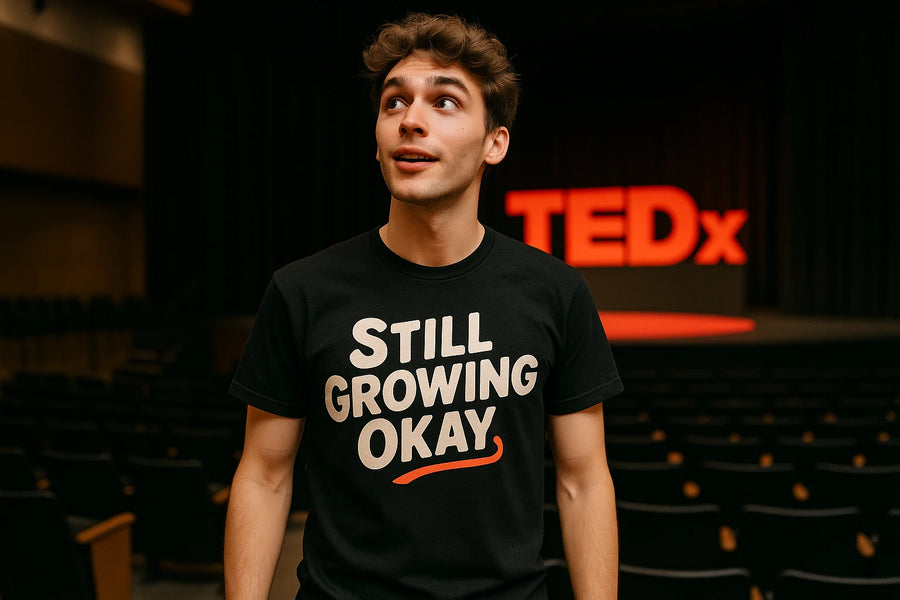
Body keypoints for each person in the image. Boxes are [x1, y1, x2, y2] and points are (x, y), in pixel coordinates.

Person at [224, 12, 623, 600]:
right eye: (393, 103)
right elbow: (262, 475)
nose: (411, 120)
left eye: (445, 102)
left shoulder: (555, 291)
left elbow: (584, 481)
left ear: (495, 142)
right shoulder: (300, 291)